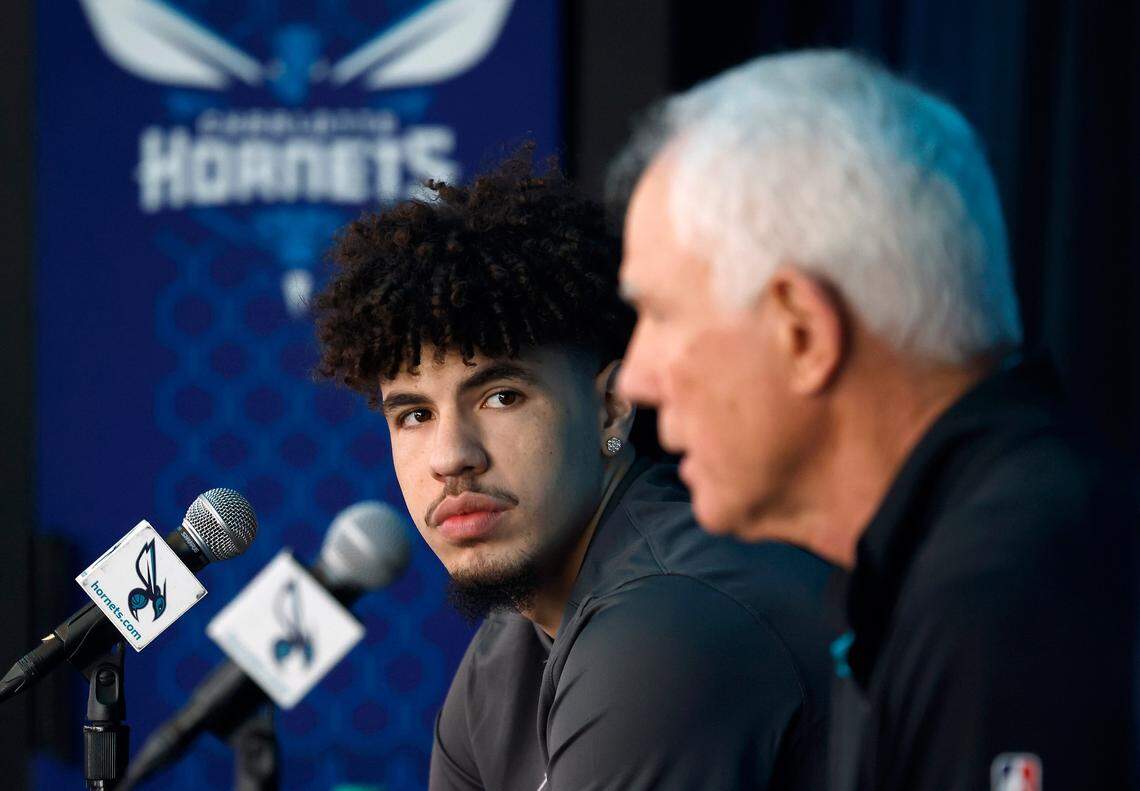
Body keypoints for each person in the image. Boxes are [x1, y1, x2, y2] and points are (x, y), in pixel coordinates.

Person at [611, 50, 1137, 790]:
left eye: (661, 315)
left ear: (803, 332)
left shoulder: (1001, 599)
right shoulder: (971, 558)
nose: (636, 378)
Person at [313, 152, 837, 790]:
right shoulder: (504, 657)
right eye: (414, 415)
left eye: (501, 396)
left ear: (612, 407)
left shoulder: (667, 622)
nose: (451, 457)